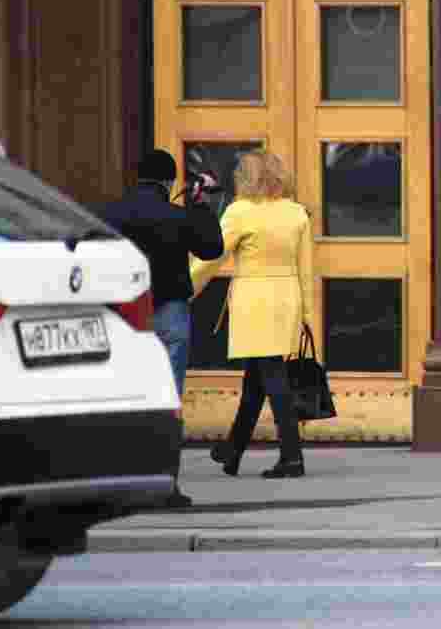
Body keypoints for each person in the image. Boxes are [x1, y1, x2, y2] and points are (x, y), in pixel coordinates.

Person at [100, 149, 225, 506]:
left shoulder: (110, 214)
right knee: (166, 404)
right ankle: (163, 487)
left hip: (124, 317)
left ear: (136, 177)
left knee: (124, 400)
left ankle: (118, 485)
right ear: (170, 182)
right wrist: (200, 206)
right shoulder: (177, 215)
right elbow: (211, 248)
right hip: (170, 315)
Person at [192, 150, 313, 479]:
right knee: (257, 382)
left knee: (273, 379)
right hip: (286, 300)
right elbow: (306, 270)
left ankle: (292, 457)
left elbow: (211, 257)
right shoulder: (296, 213)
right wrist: (308, 315)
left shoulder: (239, 212)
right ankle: (233, 450)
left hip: (255, 302)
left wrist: (184, 285)